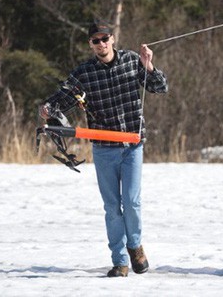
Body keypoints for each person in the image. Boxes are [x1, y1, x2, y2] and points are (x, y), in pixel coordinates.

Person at [40, 21, 168, 277]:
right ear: (90, 44)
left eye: (105, 39)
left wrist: (149, 64)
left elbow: (160, 87)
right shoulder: (84, 72)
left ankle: (135, 247)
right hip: (103, 148)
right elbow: (63, 98)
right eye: (95, 41)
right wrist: (47, 108)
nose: (101, 44)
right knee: (112, 207)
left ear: (112, 39)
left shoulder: (132, 60)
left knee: (131, 202)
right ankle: (120, 261)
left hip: (132, 145)